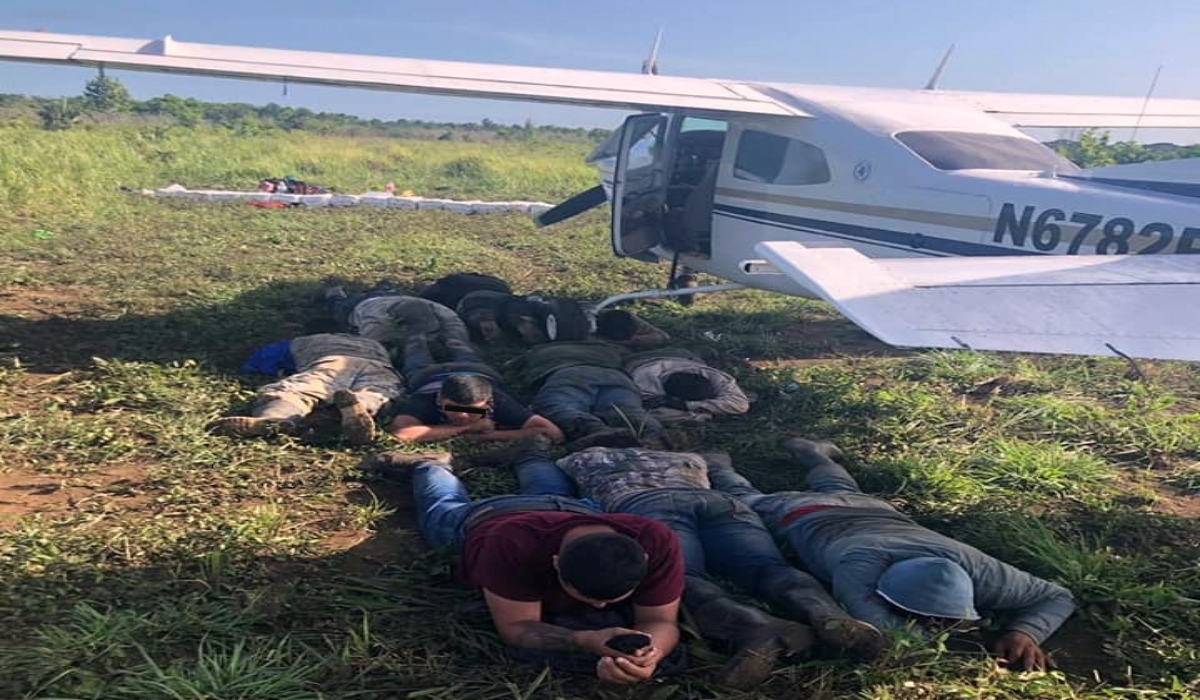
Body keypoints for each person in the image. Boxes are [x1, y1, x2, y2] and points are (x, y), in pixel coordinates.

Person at [707, 437, 1077, 671]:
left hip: (868, 510)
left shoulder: (981, 572)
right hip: (803, 514)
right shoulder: (859, 566)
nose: (936, 629)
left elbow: (1058, 596)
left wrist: (1026, 631)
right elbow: (882, 632)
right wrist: (969, 655)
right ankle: (722, 466)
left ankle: (809, 451)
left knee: (834, 485)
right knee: (748, 500)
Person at [553, 445, 886, 689]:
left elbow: (571, 495)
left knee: (683, 577)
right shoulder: (685, 457)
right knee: (769, 567)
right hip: (721, 504)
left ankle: (759, 626)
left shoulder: (586, 457)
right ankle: (828, 615)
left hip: (645, 506)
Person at [361, 447, 686, 684]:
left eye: (610, 599)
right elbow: (517, 628)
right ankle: (429, 465)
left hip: (573, 509)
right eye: (586, 597)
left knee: (550, 489)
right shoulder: (510, 544)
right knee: (442, 503)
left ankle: (531, 452)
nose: (600, 607)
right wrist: (583, 640)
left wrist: (649, 653)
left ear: (643, 559)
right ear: (555, 562)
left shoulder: (655, 539)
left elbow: (659, 621)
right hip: (489, 517)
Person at [206, 321, 403, 445]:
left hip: (330, 361)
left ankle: (273, 418)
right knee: (379, 391)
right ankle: (360, 407)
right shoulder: (373, 343)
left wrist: (279, 371)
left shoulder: (303, 341)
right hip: (378, 365)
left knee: (301, 389)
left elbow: (260, 361)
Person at [507, 341, 665, 447]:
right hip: (616, 376)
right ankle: (655, 435)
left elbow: (510, 368)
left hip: (569, 373)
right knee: (628, 410)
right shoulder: (605, 347)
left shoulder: (538, 349)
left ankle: (595, 430)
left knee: (558, 406)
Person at [387, 369, 563, 444]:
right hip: (428, 374)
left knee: (460, 345)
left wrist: (491, 436)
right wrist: (470, 427)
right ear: (440, 399)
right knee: (416, 351)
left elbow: (553, 433)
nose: (462, 416)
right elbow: (402, 433)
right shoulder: (425, 400)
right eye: (453, 409)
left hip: (479, 370)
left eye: (473, 411)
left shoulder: (500, 402)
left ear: (489, 403)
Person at [623, 347, 751, 423]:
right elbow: (655, 414)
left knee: (709, 351)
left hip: (682, 356)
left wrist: (686, 405)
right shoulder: (645, 384)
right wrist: (701, 414)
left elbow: (740, 404)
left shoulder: (712, 376)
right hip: (639, 360)